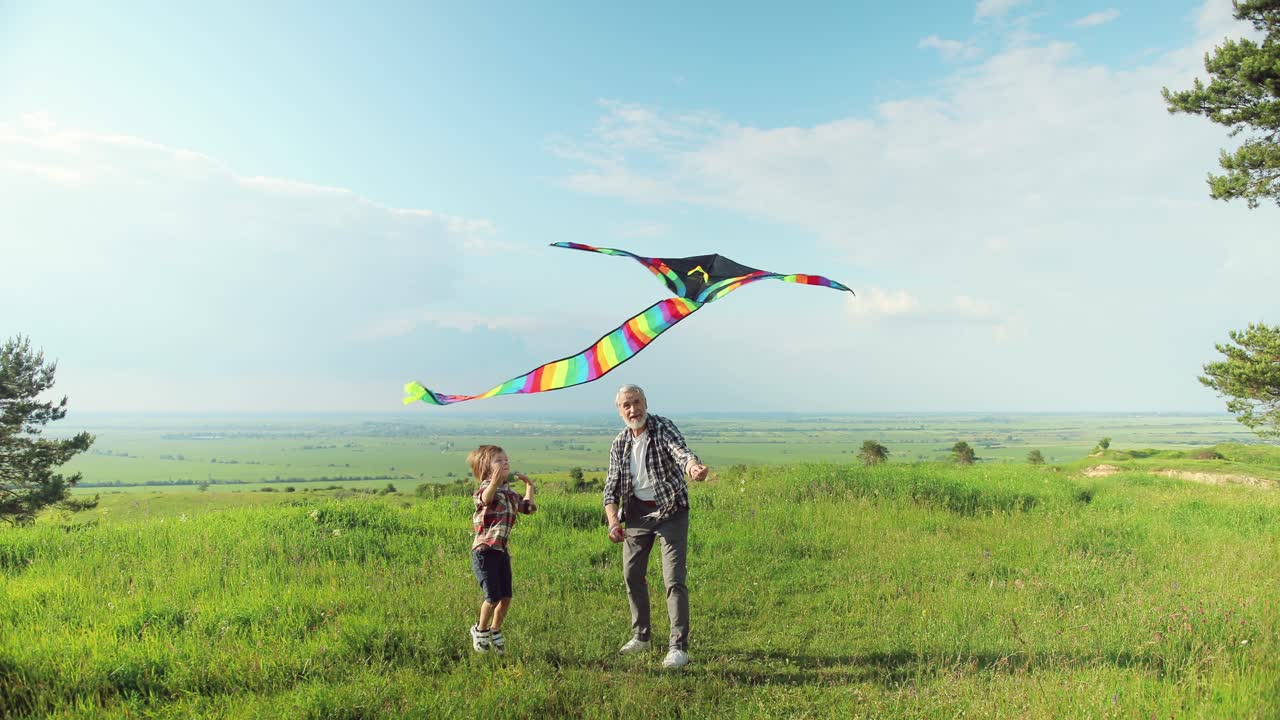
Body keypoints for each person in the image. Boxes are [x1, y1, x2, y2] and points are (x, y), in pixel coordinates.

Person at [603, 384, 709, 669]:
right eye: (626, 405)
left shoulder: (662, 428)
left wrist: (693, 468)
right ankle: (641, 636)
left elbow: (680, 452)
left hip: (671, 511)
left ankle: (678, 647)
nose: (633, 409)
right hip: (637, 515)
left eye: (637, 402)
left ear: (646, 402)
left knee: (673, 579)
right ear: (619, 410)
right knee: (631, 575)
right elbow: (610, 489)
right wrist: (614, 521)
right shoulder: (619, 443)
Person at [467, 444, 536, 655]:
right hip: (484, 552)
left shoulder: (509, 493)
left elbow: (528, 509)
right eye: (499, 460)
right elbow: (485, 499)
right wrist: (494, 483)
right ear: (486, 468)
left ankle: (495, 631)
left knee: (506, 597)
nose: (505, 462)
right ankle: (480, 630)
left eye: (506, 459)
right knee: (493, 597)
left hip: (501, 552)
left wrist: (529, 488)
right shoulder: (485, 489)